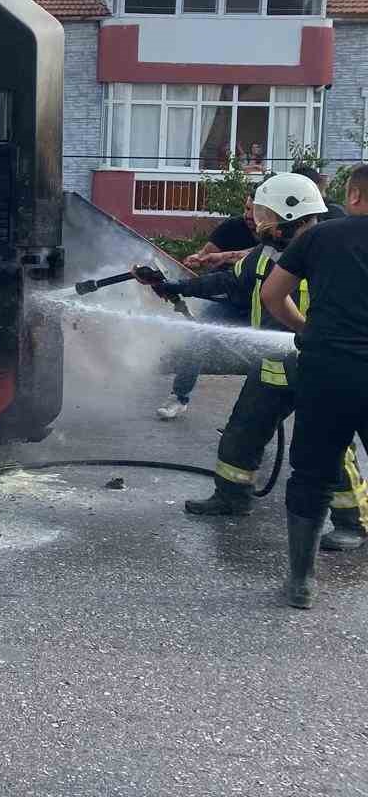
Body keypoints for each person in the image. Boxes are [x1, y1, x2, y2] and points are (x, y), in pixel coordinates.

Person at [133, 174, 368, 551]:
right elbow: (227, 283)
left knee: (334, 452)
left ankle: (351, 522)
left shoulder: (329, 250)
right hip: (272, 365)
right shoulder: (263, 258)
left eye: (264, 214)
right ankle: (231, 496)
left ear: (290, 214)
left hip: (320, 369)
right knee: (241, 433)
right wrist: (174, 286)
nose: (257, 221)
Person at [261, 163, 368, 608]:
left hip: (327, 370)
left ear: (357, 197)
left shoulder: (320, 237)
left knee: (312, 475)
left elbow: (272, 295)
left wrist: (306, 328)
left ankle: (301, 584)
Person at [157, 195, 260, 420]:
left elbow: (257, 255)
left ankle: (251, 417)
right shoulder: (233, 227)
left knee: (266, 360)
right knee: (197, 335)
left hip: (267, 306)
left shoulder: (278, 236)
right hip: (231, 301)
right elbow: (205, 255)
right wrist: (198, 258)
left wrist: (223, 257)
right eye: (246, 208)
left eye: (255, 210)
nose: (248, 215)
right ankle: (179, 396)